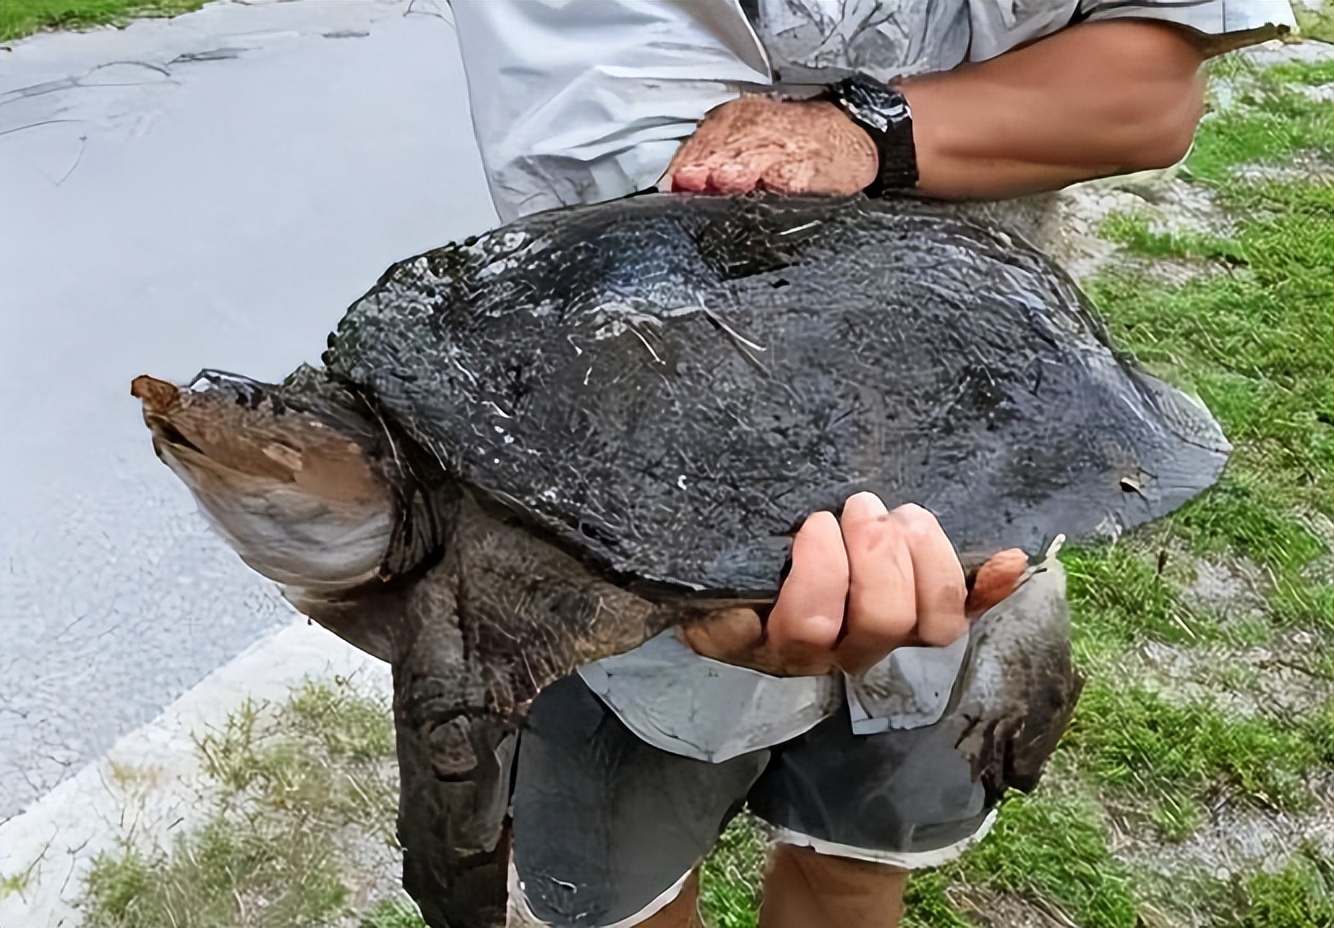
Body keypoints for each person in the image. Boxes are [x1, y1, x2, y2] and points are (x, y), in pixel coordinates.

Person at [446, 3, 1298, 927]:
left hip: (980, 468)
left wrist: (860, 130)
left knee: (856, 860)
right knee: (622, 897)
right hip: (636, 499)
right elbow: (637, 198)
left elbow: (1148, 95)